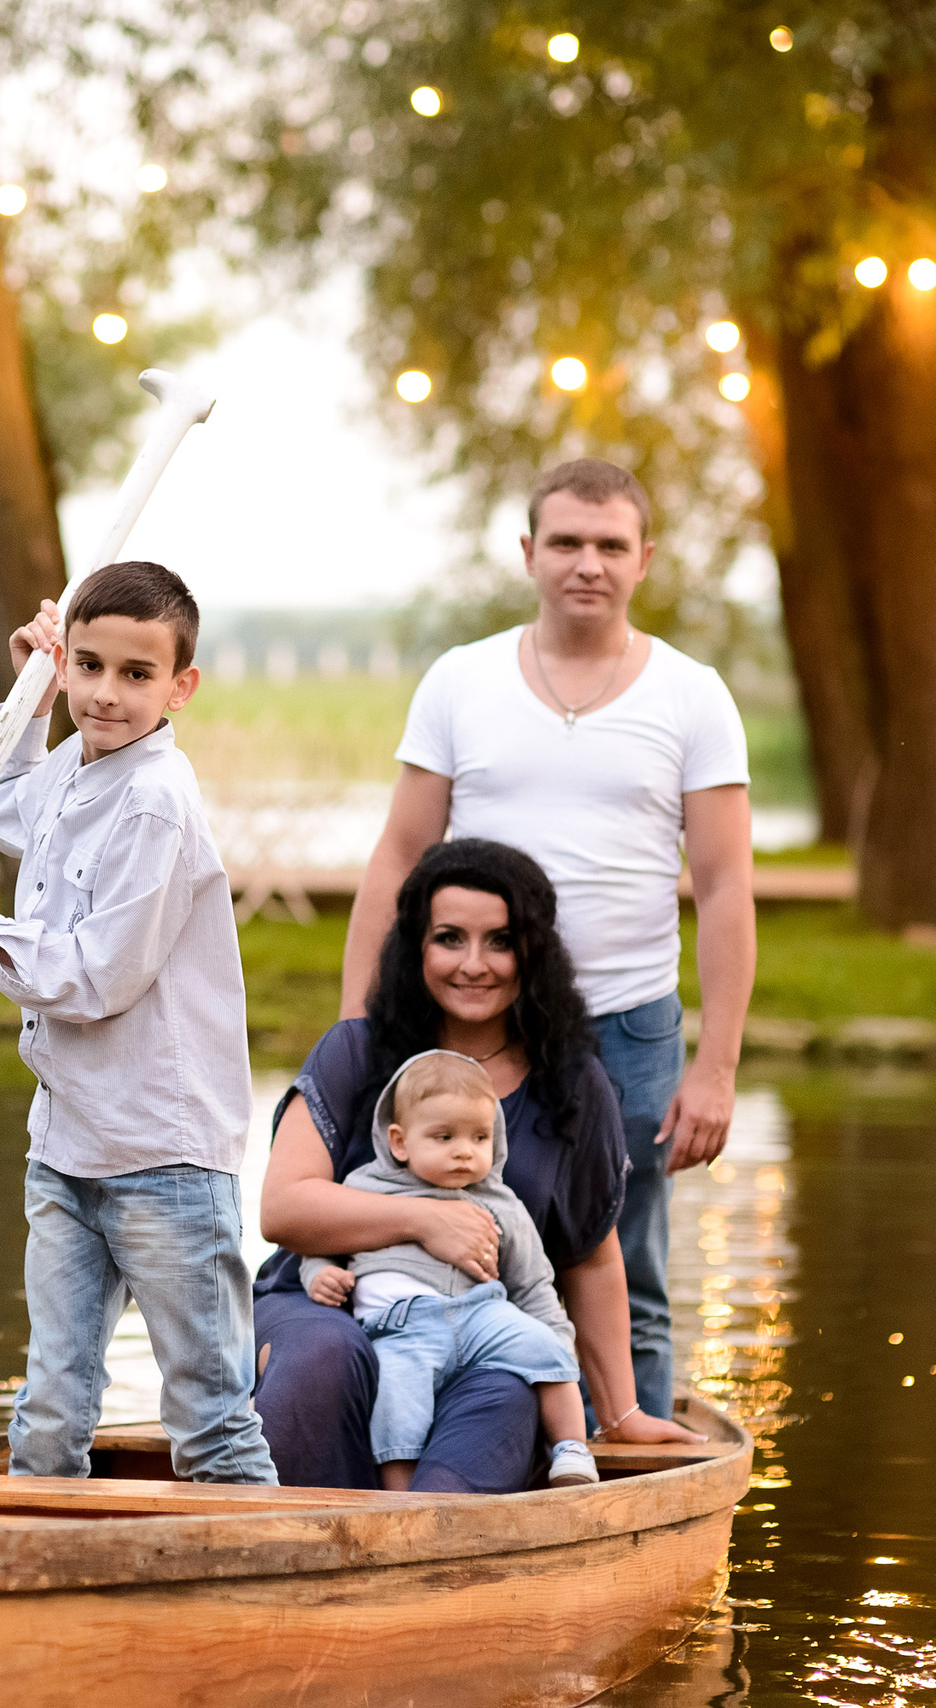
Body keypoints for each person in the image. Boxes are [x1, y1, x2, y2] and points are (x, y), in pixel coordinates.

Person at [340, 458, 757, 1422]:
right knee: (438, 1240)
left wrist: (719, 1066)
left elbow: (727, 886)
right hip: (470, 1022)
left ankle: (632, 1474)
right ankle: (452, 1451)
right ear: (528, 552)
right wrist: (358, 1024)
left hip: (626, 1025)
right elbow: (400, 854)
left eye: (611, 545)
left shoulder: (693, 697)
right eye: (566, 542)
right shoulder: (462, 680)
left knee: (625, 1268)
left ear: (644, 559)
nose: (588, 564)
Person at [0, 559, 277, 1485]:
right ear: (65, 667)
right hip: (66, 1145)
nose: (106, 693)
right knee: (51, 1403)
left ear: (181, 687)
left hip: (164, 1154)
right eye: (87, 666)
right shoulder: (78, 766)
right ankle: (26, 1587)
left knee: (209, 1415)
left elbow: (100, 977)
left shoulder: (156, 802)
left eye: (136, 675)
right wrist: (22, 710)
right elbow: (13, 814)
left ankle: (259, 1600)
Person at [257, 838, 700, 1493]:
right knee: (325, 1356)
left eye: (500, 940)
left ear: (534, 951)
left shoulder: (572, 1084)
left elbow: (592, 1259)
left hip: (485, 1321)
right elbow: (283, 1207)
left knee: (507, 1389)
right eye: (449, 938)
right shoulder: (355, 1051)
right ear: (416, 947)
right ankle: (277, 1550)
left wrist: (624, 1411)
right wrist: (425, 1222)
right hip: (330, 1304)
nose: (474, 964)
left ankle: (424, 1546)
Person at [301, 1050, 600, 1490]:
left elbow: (534, 1284)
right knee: (395, 1405)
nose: (464, 1152)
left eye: (479, 1137)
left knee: (547, 1349)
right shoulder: (368, 1190)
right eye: (444, 1137)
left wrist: (556, 1333)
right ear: (400, 1141)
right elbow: (320, 1242)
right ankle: (398, 1496)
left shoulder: (502, 1204)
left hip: (482, 1313)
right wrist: (319, 1275)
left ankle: (571, 1449)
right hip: (400, 1328)